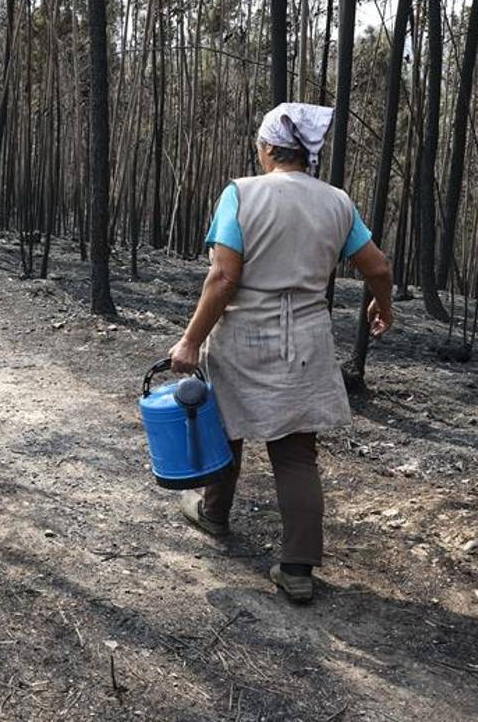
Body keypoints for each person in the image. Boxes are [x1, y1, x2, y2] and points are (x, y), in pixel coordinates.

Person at [166, 102, 394, 604]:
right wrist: (384, 305)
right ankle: (297, 569)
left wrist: (190, 340)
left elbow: (225, 276)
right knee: (296, 455)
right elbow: (377, 267)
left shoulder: (241, 194)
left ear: (269, 148)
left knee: (227, 432)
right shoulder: (337, 202)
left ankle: (214, 515)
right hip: (308, 340)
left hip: (245, 334)